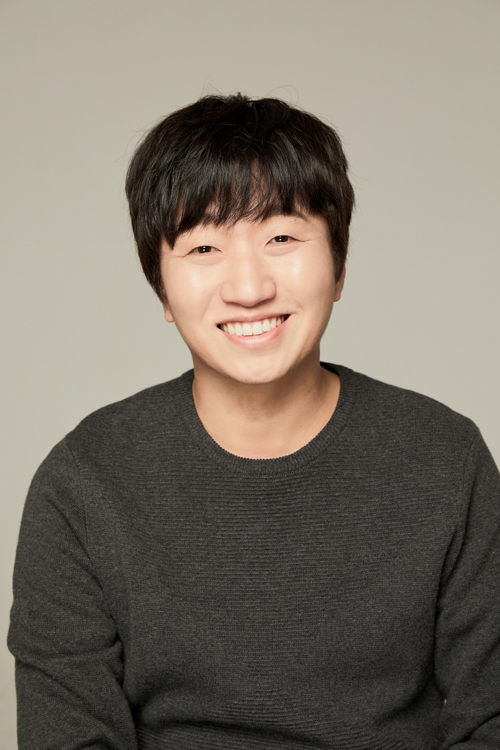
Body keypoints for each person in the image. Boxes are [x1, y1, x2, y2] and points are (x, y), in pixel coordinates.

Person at [8, 94, 500, 750]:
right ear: (161, 287)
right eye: (204, 246)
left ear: (340, 266)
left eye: (281, 238)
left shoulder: (444, 459)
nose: (248, 288)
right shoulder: (84, 482)